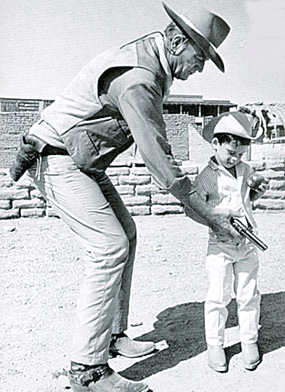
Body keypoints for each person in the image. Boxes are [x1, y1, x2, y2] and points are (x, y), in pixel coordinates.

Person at [9, 2, 236, 391]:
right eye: (199, 58)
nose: (198, 69)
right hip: (57, 159)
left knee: (126, 234)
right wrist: (209, 215)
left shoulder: (152, 56)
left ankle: (112, 336)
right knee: (109, 246)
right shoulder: (140, 79)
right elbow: (161, 164)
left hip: (79, 160)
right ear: (177, 40)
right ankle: (88, 370)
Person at [193, 111, 269, 373]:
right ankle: (215, 344)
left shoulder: (245, 170)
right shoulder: (206, 176)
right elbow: (191, 208)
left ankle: (249, 341)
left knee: (248, 294)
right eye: (229, 152)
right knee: (218, 296)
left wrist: (256, 193)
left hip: (246, 244)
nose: (234, 158)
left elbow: (247, 202)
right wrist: (215, 217)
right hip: (220, 245)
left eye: (239, 153)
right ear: (215, 144)